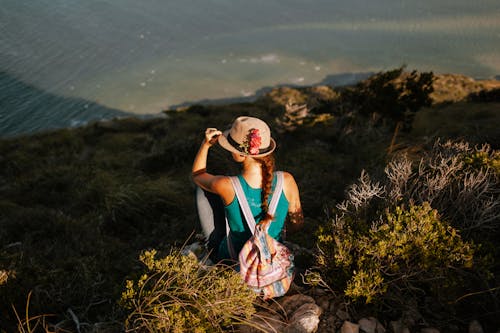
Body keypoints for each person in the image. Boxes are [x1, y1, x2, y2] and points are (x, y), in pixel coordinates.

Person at [192, 116, 304, 262]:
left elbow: (197, 175)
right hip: (272, 259)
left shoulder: (226, 185)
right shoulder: (287, 180)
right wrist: (273, 233)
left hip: (234, 259)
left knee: (203, 189)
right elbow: (297, 223)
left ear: (240, 154)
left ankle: (212, 245)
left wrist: (205, 145)